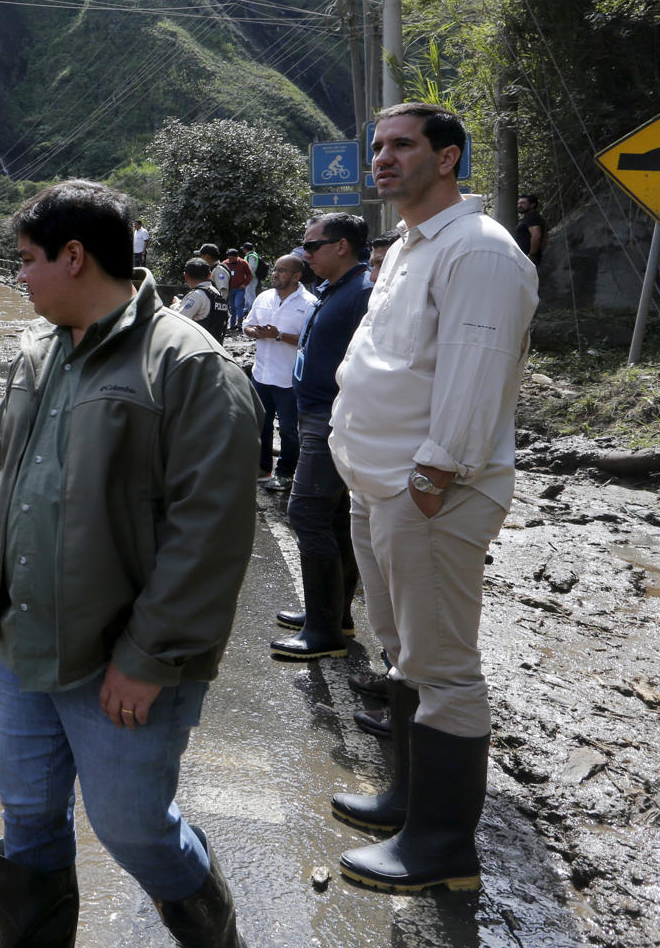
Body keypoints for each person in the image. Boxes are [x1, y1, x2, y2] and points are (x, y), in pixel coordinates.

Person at [0, 180, 259, 948]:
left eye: (26, 260)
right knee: (26, 816)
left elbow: (211, 533)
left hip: (117, 657)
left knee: (134, 831)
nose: (19, 276)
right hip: (18, 642)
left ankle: (216, 936)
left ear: (75, 256)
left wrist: (150, 657)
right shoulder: (37, 354)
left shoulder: (188, 366)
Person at [328, 103, 538, 895]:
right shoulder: (414, 246)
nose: (382, 159)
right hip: (381, 487)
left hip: (430, 497)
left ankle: (443, 847)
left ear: (447, 157)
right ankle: (407, 804)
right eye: (378, 146)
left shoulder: (479, 252)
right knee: (402, 652)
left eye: (402, 145)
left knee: (443, 668)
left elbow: (474, 379)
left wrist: (428, 481)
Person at [268, 212, 373, 664]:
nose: (304, 254)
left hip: (332, 418)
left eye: (311, 246)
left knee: (307, 513)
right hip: (316, 413)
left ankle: (323, 632)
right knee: (332, 518)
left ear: (342, 246)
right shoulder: (338, 288)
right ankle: (331, 616)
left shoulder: (363, 292)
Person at [243, 255, 314, 491]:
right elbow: (247, 325)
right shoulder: (264, 297)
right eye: (275, 270)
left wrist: (279, 335)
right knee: (260, 424)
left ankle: (285, 473)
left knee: (288, 429)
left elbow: (310, 341)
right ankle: (263, 469)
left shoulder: (309, 303)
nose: (275, 274)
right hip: (261, 374)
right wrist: (256, 332)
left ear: (296, 276)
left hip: (288, 379)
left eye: (282, 271)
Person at [172, 259, 229, 340]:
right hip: (216, 345)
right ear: (209, 275)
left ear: (186, 276)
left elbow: (179, 319)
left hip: (198, 347)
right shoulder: (217, 294)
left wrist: (175, 305)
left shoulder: (197, 295)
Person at [222, 248, 254, 330]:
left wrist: (245, 284)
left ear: (237, 257)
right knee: (231, 307)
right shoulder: (225, 263)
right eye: (229, 258)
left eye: (232, 258)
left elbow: (249, 275)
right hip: (229, 289)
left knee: (238, 305)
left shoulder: (243, 263)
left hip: (240, 288)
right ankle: (232, 325)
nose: (231, 260)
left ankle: (240, 323)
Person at [514, 195, 545, 266]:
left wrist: (532, 255)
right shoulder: (530, 217)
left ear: (532, 205)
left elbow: (536, 236)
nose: (519, 205)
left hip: (528, 257)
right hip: (526, 256)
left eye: (522, 203)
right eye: (518, 203)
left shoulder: (532, 216)